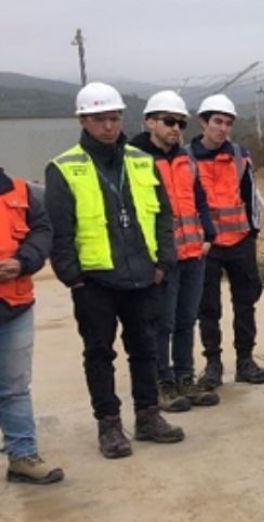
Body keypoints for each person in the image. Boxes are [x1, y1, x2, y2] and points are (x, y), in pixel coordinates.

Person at [46, 82, 185, 458]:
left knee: (144, 350)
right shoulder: (64, 168)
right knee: (99, 354)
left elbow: (164, 216)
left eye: (113, 117)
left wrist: (162, 263)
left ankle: (148, 416)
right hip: (95, 282)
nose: (108, 126)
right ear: (82, 120)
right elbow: (60, 231)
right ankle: (109, 425)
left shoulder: (141, 161)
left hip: (144, 277)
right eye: (98, 119)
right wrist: (73, 277)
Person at [131, 90, 220, 412]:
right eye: (169, 121)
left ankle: (184, 377)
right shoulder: (134, 159)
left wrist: (208, 233)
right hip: (161, 259)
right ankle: (162, 382)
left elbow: (198, 199)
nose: (175, 128)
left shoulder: (184, 158)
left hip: (193, 252)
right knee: (162, 324)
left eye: (180, 123)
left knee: (185, 320)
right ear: (149, 122)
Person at [192, 94, 264, 389]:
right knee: (208, 307)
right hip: (206, 245)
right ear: (203, 122)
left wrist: (252, 232)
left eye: (227, 123)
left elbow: (250, 194)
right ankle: (213, 364)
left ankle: (245, 361)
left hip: (240, 240)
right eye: (217, 122)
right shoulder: (187, 158)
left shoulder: (240, 156)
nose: (222, 128)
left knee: (245, 302)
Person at [0, 167, 62, 484]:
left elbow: (42, 231)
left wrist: (23, 261)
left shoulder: (23, 192)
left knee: (14, 388)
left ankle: (22, 455)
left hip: (14, 304)